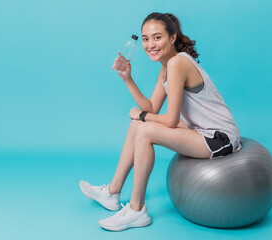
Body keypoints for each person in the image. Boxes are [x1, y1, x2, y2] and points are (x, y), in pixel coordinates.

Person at [79, 12, 241, 231]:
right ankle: (112, 192)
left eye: (157, 37)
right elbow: (152, 107)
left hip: (219, 137)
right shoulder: (167, 66)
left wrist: (143, 116)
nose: (150, 44)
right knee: (137, 125)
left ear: (172, 38)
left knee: (144, 129)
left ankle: (137, 210)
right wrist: (128, 79)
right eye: (146, 39)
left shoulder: (177, 64)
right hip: (199, 129)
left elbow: (171, 120)